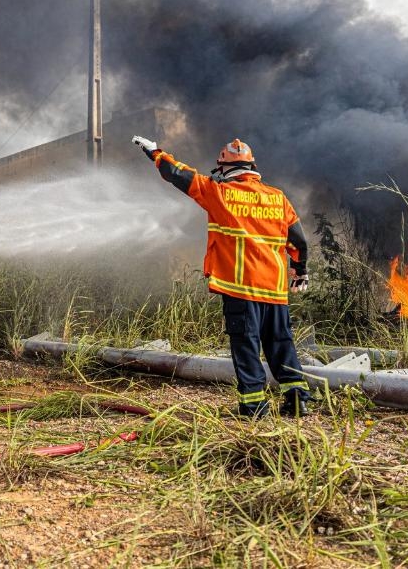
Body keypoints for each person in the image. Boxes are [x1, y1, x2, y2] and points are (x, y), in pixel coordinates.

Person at [132, 135, 313, 418]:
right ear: (252, 167)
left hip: (240, 288)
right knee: (281, 343)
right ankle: (297, 399)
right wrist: (300, 271)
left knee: (246, 346)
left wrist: (155, 152)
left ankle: (254, 406)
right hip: (275, 290)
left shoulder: (219, 192)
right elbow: (298, 241)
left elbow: (178, 174)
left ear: (225, 168)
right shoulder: (278, 198)